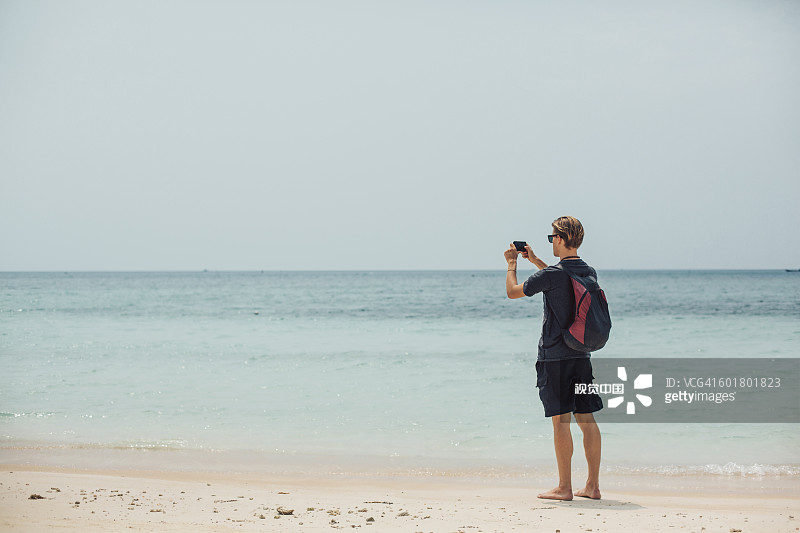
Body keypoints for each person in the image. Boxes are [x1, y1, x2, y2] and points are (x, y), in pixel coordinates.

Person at [504, 216, 603, 501]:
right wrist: (535, 260)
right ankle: (593, 486)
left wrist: (512, 264)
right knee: (587, 419)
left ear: (559, 239)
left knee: (561, 422)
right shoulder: (587, 271)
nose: (551, 243)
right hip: (581, 355)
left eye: (551, 238)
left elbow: (513, 292)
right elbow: (560, 282)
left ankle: (564, 487)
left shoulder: (553, 275)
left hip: (555, 357)